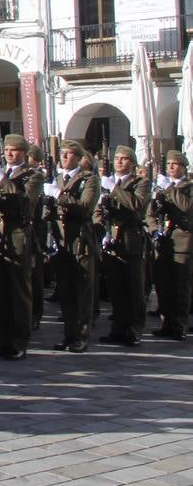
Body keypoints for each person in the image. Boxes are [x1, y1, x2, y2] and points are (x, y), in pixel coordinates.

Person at [0, 133, 42, 360]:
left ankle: (19, 341)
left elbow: (25, 203)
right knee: (0, 292)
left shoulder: (33, 175)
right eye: (7, 149)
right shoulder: (2, 174)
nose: (9, 153)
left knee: (18, 291)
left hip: (18, 235)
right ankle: (4, 340)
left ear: (24, 153)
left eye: (14, 150)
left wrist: (1, 181)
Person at [98, 145, 150, 347]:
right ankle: (118, 328)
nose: (118, 162)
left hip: (131, 239)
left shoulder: (141, 183)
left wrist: (114, 189)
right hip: (112, 238)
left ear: (133, 163)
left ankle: (134, 329)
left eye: (124, 159)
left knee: (134, 287)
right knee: (116, 287)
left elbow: (135, 204)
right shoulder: (110, 183)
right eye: (117, 158)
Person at [52, 139, 100, 353]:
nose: (64, 157)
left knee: (82, 292)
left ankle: (81, 336)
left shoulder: (88, 180)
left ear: (79, 158)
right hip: (62, 242)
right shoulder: (59, 178)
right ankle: (69, 334)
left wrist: (59, 197)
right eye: (62, 153)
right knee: (66, 291)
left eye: (69, 154)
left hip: (81, 241)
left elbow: (85, 206)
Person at [151, 149, 192, 340]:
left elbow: (186, 207)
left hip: (182, 243)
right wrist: (153, 229)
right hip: (164, 242)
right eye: (168, 164)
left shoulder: (188, 187)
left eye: (175, 164)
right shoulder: (162, 187)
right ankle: (166, 323)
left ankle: (180, 325)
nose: (171, 167)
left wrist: (170, 189)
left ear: (184, 167)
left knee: (180, 287)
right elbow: (150, 213)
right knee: (163, 286)